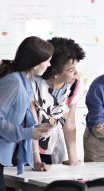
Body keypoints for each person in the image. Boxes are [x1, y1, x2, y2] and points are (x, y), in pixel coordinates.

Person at [0, 36, 54, 191]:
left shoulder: (25, 81)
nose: (49, 64)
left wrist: (37, 128)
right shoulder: (12, 82)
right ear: (35, 61)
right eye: (47, 59)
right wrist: (28, 133)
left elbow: (24, 114)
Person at [31, 37, 85, 171]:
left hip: (52, 145)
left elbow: (69, 124)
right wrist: (36, 161)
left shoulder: (75, 84)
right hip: (28, 146)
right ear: (55, 72)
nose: (76, 73)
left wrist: (73, 160)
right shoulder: (32, 84)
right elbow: (31, 125)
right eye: (71, 69)